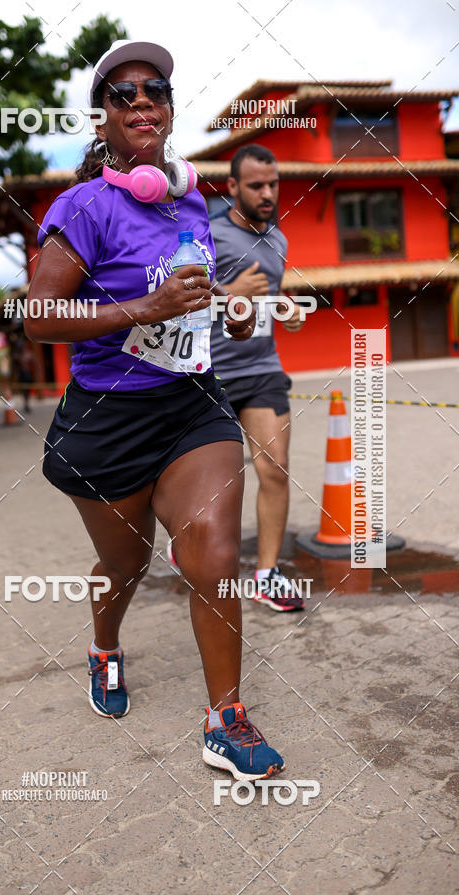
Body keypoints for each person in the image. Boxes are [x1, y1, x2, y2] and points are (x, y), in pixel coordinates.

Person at [25, 40, 285, 781]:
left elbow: (193, 307)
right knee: (126, 561)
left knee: (214, 551)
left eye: (156, 92)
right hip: (107, 419)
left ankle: (224, 721)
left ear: (169, 112)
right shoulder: (83, 207)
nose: (141, 101)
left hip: (191, 402)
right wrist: (145, 304)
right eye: (122, 93)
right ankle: (104, 645)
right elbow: (38, 317)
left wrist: (230, 315)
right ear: (103, 117)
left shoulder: (190, 198)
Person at [209, 145, 306, 613]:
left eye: (273, 185)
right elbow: (175, 294)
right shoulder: (208, 232)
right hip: (210, 374)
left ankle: (267, 575)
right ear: (232, 188)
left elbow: (268, 299)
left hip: (262, 368)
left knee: (275, 468)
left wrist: (283, 310)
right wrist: (230, 292)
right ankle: (189, 546)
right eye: (255, 186)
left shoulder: (279, 240)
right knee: (217, 484)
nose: (267, 194)